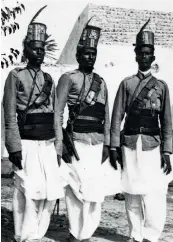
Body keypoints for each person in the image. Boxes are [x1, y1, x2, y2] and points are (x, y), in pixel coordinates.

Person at [110, 19, 172, 242]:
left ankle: (151, 236)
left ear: (153, 57)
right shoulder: (126, 84)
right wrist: (114, 147)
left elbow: (167, 122)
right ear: (136, 56)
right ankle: (135, 235)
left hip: (152, 145)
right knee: (131, 191)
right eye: (141, 53)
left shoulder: (162, 86)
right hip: (129, 143)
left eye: (148, 53)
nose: (144, 57)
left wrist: (167, 152)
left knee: (154, 192)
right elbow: (116, 117)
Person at [3, 21, 64, 242]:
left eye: (42, 49)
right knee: (27, 191)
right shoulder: (16, 76)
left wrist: (58, 145)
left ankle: (37, 234)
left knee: (48, 192)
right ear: (26, 49)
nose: (39, 53)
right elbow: (9, 114)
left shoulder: (49, 79)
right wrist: (14, 146)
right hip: (26, 142)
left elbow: (57, 115)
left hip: (47, 143)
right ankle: (23, 236)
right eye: (34, 48)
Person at [56, 21, 110, 242]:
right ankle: (75, 232)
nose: (90, 57)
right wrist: (60, 145)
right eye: (86, 53)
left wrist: (108, 144)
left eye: (93, 53)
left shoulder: (102, 82)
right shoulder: (69, 78)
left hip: (97, 143)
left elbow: (106, 115)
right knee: (76, 189)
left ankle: (87, 233)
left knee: (95, 192)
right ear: (78, 56)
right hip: (76, 140)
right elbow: (57, 113)